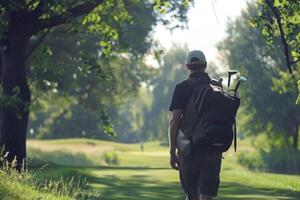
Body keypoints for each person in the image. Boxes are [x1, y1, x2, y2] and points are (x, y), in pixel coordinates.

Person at [168, 50, 222, 200]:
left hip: (189, 149)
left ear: (187, 66)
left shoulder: (181, 88)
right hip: (213, 148)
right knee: (206, 195)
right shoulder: (217, 87)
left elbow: (174, 122)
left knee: (191, 195)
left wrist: (172, 151)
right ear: (205, 65)